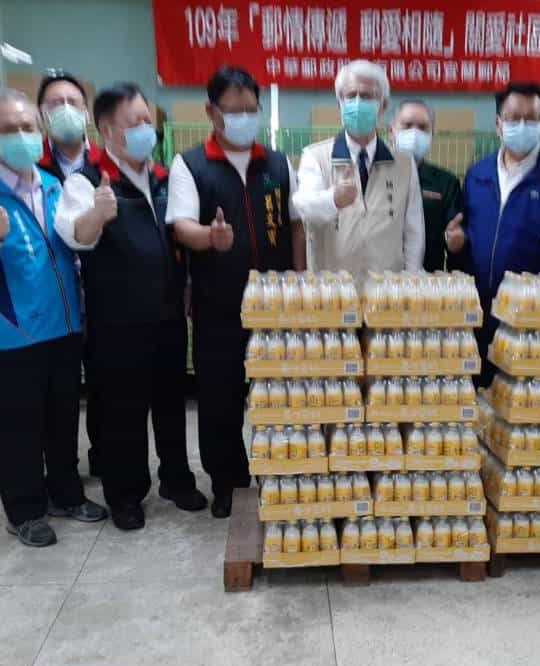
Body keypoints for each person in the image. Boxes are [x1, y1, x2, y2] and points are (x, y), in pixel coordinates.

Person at [0, 89, 106, 548]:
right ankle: (24, 510)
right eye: (9, 129)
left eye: (28, 127)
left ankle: (65, 494)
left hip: (65, 322)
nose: (21, 136)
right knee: (22, 424)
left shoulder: (54, 186)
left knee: (62, 417)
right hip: (17, 331)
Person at [54, 83, 206, 530]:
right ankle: (126, 494)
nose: (145, 129)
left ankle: (176, 479)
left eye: (147, 120)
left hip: (167, 313)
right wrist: (96, 214)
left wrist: (188, 285)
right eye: (134, 122)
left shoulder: (165, 177)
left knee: (171, 403)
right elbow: (74, 235)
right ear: (106, 131)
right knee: (124, 411)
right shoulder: (86, 181)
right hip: (117, 322)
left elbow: (179, 236)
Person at [168, 67, 304, 519]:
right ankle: (227, 481)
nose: (245, 118)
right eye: (234, 110)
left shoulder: (278, 164)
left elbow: (295, 225)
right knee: (220, 399)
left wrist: (299, 281)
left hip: (276, 307)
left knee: (278, 396)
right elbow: (181, 226)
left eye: (252, 109)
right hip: (219, 304)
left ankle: (279, 474)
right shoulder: (191, 165)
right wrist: (210, 237)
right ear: (212, 112)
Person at [459, 82, 540, 385]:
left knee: (520, 399)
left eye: (531, 118)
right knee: (472, 393)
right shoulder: (478, 173)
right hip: (476, 311)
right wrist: (457, 240)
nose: (522, 125)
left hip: (529, 317)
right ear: (498, 124)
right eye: (513, 118)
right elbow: (467, 227)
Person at [294, 60, 424, 281]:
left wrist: (410, 283)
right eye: (350, 96)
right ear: (340, 105)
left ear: (383, 106)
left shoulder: (404, 164)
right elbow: (304, 206)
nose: (357, 103)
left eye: (367, 96)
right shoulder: (316, 157)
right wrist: (334, 199)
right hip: (333, 290)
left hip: (386, 292)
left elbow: (414, 233)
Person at [36, 69, 104, 478]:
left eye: (73, 103)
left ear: (87, 113)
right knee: (57, 390)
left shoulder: (106, 165)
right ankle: (60, 471)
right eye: (55, 104)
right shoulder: (33, 169)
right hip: (52, 297)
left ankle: (103, 455)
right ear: (42, 115)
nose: (65, 110)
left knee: (104, 383)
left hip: (103, 295)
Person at [388, 98, 464, 272]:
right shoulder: (373, 174)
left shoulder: (446, 183)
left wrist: (455, 241)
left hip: (426, 281)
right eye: (407, 126)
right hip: (378, 280)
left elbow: (455, 239)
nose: (414, 133)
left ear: (431, 135)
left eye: (423, 128)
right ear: (391, 132)